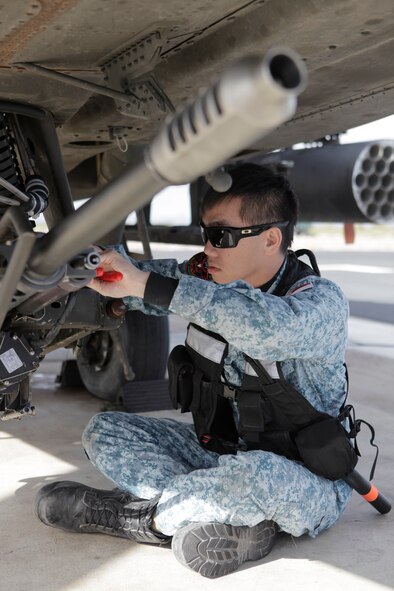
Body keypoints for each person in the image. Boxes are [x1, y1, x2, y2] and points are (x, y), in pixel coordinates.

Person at [35, 163, 352, 579]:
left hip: (301, 477)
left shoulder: (319, 302)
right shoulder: (208, 276)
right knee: (105, 432)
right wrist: (89, 270)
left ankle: (130, 518)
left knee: (256, 477)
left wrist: (145, 286)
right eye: (205, 233)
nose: (208, 248)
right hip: (221, 454)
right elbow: (145, 280)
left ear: (271, 238)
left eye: (221, 236)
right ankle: (228, 519)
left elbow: (266, 327)